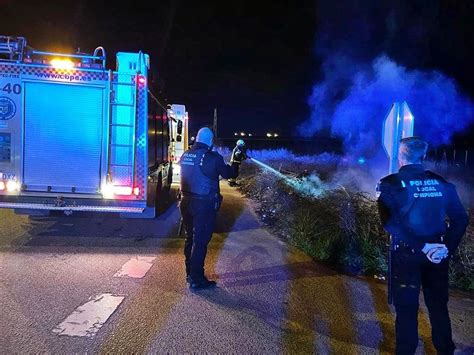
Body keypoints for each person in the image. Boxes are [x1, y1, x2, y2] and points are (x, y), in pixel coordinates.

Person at [377, 137, 468, 355]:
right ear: (423, 156)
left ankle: (406, 351)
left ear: (400, 156)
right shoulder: (441, 183)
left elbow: (390, 224)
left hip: (407, 257)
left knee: (407, 309)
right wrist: (446, 247)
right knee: (438, 307)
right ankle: (445, 350)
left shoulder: (389, 183)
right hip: (438, 255)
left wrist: (422, 246)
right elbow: (460, 218)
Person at [179, 127, 243, 290]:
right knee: (200, 242)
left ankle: (189, 273)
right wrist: (236, 161)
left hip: (185, 202)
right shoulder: (213, 157)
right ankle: (197, 279)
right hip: (203, 205)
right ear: (210, 141)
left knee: (190, 238)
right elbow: (229, 174)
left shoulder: (185, 155)